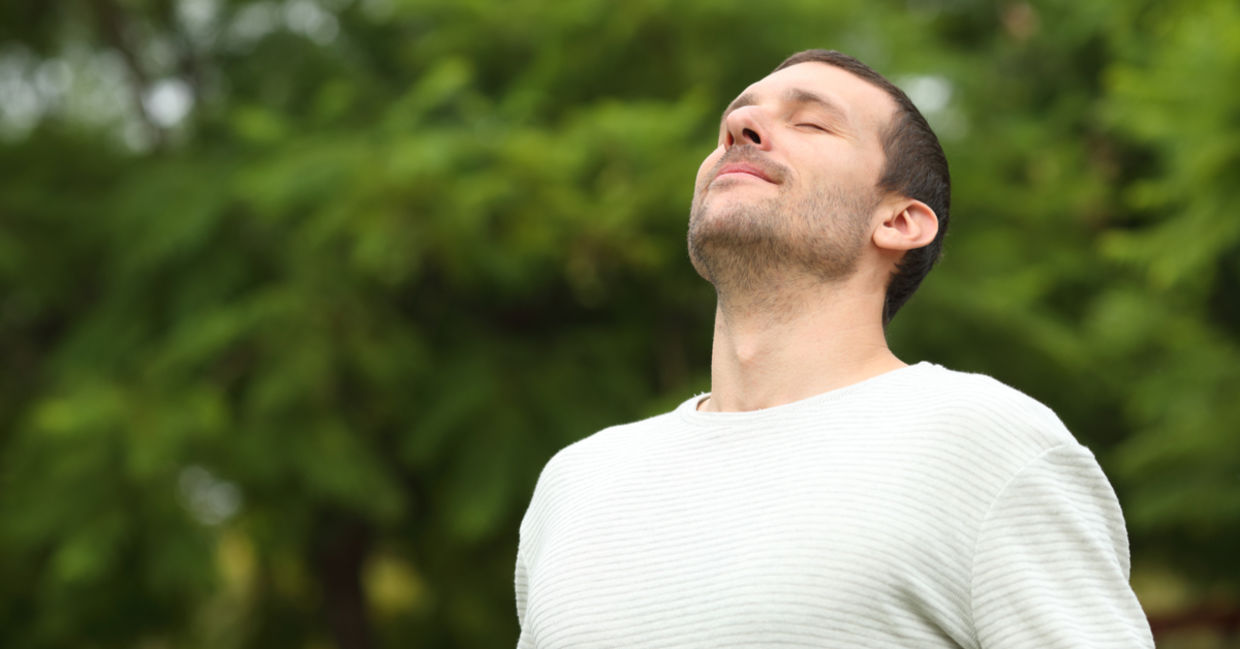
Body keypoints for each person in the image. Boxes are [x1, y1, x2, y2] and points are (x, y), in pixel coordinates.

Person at [513, 49, 1154, 649]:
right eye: (736, 119)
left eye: (812, 124)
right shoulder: (578, 482)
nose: (743, 126)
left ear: (900, 221)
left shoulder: (985, 443)